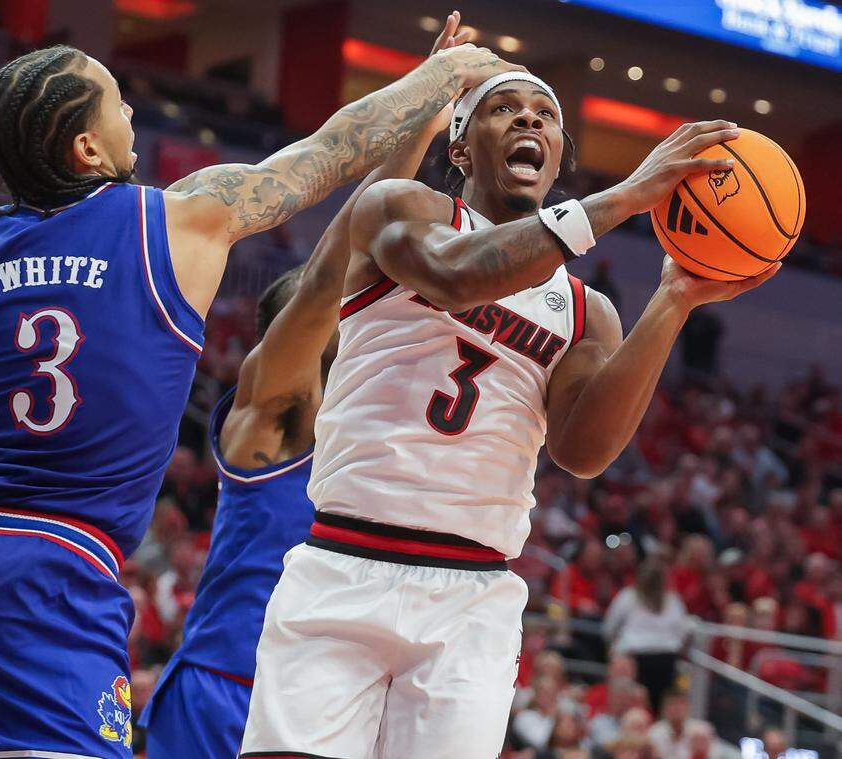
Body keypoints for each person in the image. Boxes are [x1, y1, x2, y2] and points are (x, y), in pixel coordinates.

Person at [0, 36, 520, 759]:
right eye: (117, 99)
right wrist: (440, 77)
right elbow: (330, 152)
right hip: (49, 577)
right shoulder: (177, 220)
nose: (132, 111)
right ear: (86, 145)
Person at [240, 64, 779, 757]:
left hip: (472, 595)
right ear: (460, 148)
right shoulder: (401, 210)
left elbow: (582, 452)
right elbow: (455, 276)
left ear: (557, 157)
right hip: (346, 563)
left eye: (545, 115)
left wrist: (673, 299)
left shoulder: (588, 311)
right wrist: (624, 198)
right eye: (504, 110)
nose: (530, 120)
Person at [139, 17, 465, 757]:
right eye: (333, 318)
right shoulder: (273, 414)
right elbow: (335, 270)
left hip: (321, 702)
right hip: (225, 689)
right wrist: (418, 112)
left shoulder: (360, 439)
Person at [603, 559, 691, 711]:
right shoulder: (670, 600)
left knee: (651, 704)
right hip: (658, 659)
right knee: (644, 702)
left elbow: (608, 628)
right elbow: (683, 632)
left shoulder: (630, 596)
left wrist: (614, 646)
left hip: (652, 656)